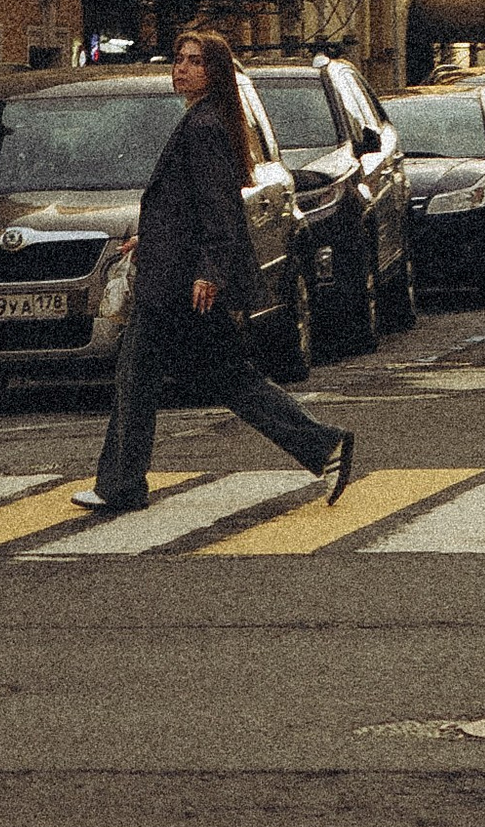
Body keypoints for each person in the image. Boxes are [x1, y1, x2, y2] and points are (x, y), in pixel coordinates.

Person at [74, 26, 353, 516]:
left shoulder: (204, 128)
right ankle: (323, 446)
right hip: (180, 274)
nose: (183, 68)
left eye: (196, 61)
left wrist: (209, 273)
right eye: (179, 59)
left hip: (180, 287)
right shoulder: (205, 120)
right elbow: (190, 209)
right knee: (228, 380)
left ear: (214, 73)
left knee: (138, 377)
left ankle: (122, 486)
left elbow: (219, 209)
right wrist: (153, 239)